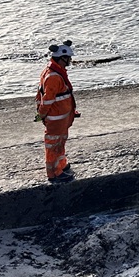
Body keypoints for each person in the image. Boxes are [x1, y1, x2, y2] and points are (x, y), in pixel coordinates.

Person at [35, 40, 81, 184]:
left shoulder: (54, 72)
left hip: (61, 117)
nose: (70, 61)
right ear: (61, 58)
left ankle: (61, 165)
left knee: (60, 144)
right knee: (53, 145)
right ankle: (54, 173)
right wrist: (42, 114)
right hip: (56, 118)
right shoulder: (54, 77)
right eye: (68, 58)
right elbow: (47, 100)